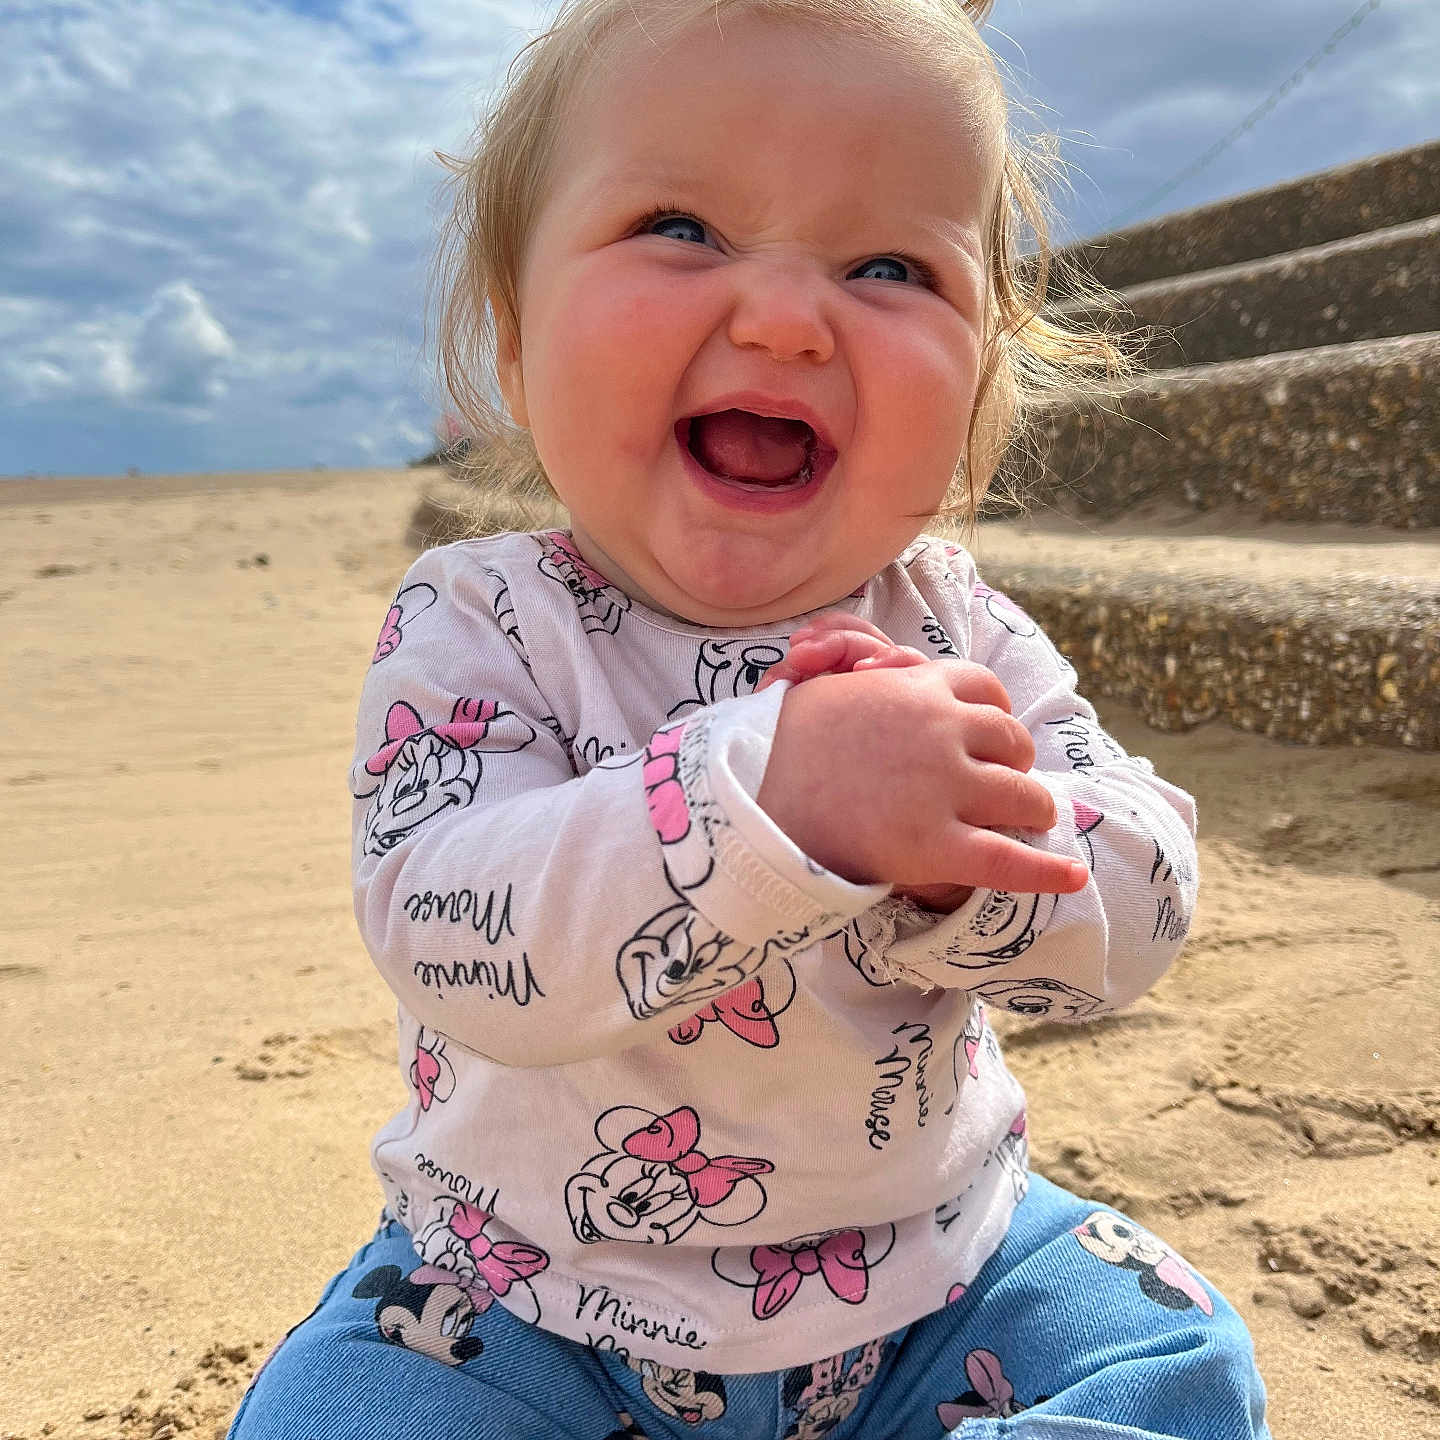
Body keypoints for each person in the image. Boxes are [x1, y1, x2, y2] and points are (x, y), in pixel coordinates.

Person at [229, 0, 1270, 1435]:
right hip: (521, 1301)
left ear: (980, 382)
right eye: (680, 229)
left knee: (1176, 1362)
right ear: (518, 340)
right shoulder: (481, 622)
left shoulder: (956, 629)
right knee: (336, 1415)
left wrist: (964, 859)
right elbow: (450, 929)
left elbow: (1141, 906)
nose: (783, 318)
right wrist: (763, 806)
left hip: (939, 1283)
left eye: (891, 265)